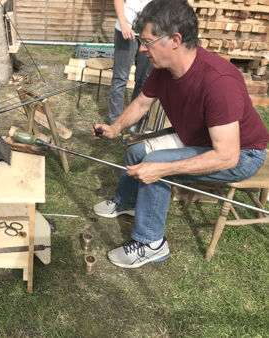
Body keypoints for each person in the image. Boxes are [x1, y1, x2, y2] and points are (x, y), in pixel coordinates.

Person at [92, 0, 268, 269]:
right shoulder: (162, 70)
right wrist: (115, 128)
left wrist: (163, 167)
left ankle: (151, 244)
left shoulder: (219, 82)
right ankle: (127, 202)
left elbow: (227, 156)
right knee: (136, 149)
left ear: (175, 40)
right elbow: (141, 103)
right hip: (201, 138)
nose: (141, 48)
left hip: (242, 154)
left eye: (148, 42)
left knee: (155, 164)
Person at [108, 0, 153, 125]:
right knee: (120, 77)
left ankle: (134, 119)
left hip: (150, 32)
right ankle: (115, 121)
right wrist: (123, 23)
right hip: (126, 29)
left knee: (143, 78)